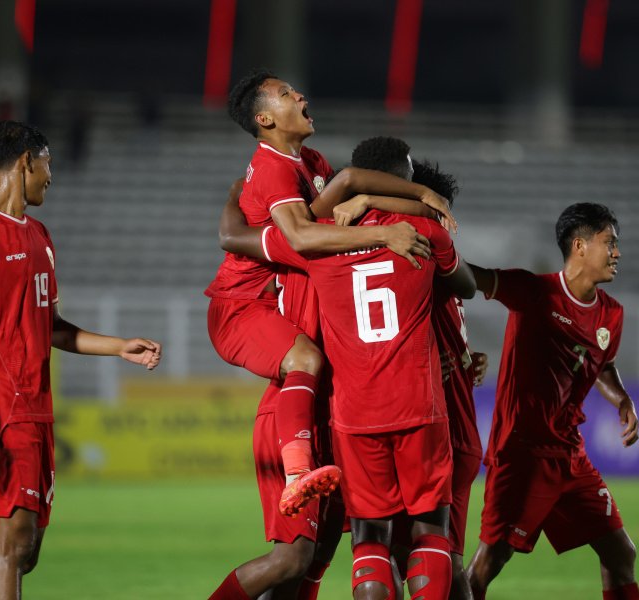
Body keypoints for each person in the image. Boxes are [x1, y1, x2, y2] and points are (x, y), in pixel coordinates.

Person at [205, 69, 455, 521]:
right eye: (286, 94)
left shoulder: (311, 161)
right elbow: (301, 235)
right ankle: (297, 469)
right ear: (265, 118)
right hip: (243, 305)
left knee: (306, 559)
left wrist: (415, 200)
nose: (300, 94)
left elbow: (348, 190)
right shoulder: (271, 169)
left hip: (281, 299)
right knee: (307, 360)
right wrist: (389, 226)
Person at [0, 121, 162, 600]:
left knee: (25, 550)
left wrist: (118, 345)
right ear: (25, 162)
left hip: (37, 410)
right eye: (47, 164)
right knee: (13, 542)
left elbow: (52, 328)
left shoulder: (40, 236)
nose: (50, 176)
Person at [261, 199, 476, 599]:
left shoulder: (316, 242)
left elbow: (240, 237)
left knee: (369, 537)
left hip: (355, 416)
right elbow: (467, 285)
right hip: (418, 405)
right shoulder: (420, 232)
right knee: (430, 532)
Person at [464, 203, 639, 600]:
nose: (617, 252)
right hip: (521, 454)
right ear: (579, 246)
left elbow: (603, 365)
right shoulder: (534, 292)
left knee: (620, 552)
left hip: (569, 454)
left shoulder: (611, 314)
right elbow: (472, 277)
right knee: (490, 561)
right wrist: (429, 248)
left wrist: (622, 400)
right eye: (609, 242)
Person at [337, 139, 487, 600]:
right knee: (433, 553)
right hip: (436, 419)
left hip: (404, 416)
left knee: (385, 548)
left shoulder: (341, 246)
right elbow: (468, 289)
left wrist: (363, 198)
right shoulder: (425, 250)